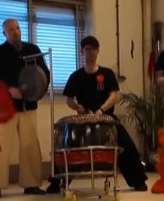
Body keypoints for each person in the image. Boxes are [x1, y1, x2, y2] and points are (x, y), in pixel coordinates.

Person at [61, 35, 149, 191]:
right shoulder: (76, 76)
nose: (90, 52)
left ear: (97, 51)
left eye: (93, 49)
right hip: (84, 119)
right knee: (68, 145)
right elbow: (69, 99)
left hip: (106, 117)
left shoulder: (107, 74)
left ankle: (138, 180)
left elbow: (114, 95)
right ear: (82, 52)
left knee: (126, 144)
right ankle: (59, 182)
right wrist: (77, 107)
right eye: (87, 49)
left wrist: (101, 110)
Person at [0, 18, 50, 197]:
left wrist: (36, 91)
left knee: (30, 145)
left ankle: (31, 184)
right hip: (5, 107)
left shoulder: (33, 50)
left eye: (18, 28)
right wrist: (8, 90)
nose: (16, 32)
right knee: (0, 146)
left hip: (28, 106)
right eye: (11, 30)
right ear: (4, 33)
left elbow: (44, 74)